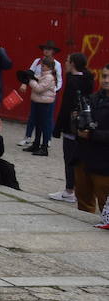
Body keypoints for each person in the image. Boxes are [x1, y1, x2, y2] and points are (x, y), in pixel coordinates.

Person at [50, 53, 93, 204]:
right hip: (83, 123)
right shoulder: (87, 78)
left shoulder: (73, 81)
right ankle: (78, 189)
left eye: (68, 61)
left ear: (73, 63)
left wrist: (57, 128)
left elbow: (65, 106)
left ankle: (69, 190)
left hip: (71, 124)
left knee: (69, 158)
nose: (66, 62)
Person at [75, 65, 109, 222]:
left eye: (108, 77)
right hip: (85, 156)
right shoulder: (93, 98)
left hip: (104, 162)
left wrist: (92, 134)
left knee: (104, 201)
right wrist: (77, 122)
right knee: (83, 200)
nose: (105, 80)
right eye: (104, 76)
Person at [20, 42, 63, 153]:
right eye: (45, 48)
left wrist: (54, 90)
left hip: (46, 94)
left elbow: (59, 79)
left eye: (49, 49)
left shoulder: (56, 64)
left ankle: (46, 140)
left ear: (53, 51)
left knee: (46, 120)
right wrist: (25, 82)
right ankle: (29, 138)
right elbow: (30, 73)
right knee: (33, 117)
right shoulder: (37, 61)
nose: (46, 51)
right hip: (37, 93)